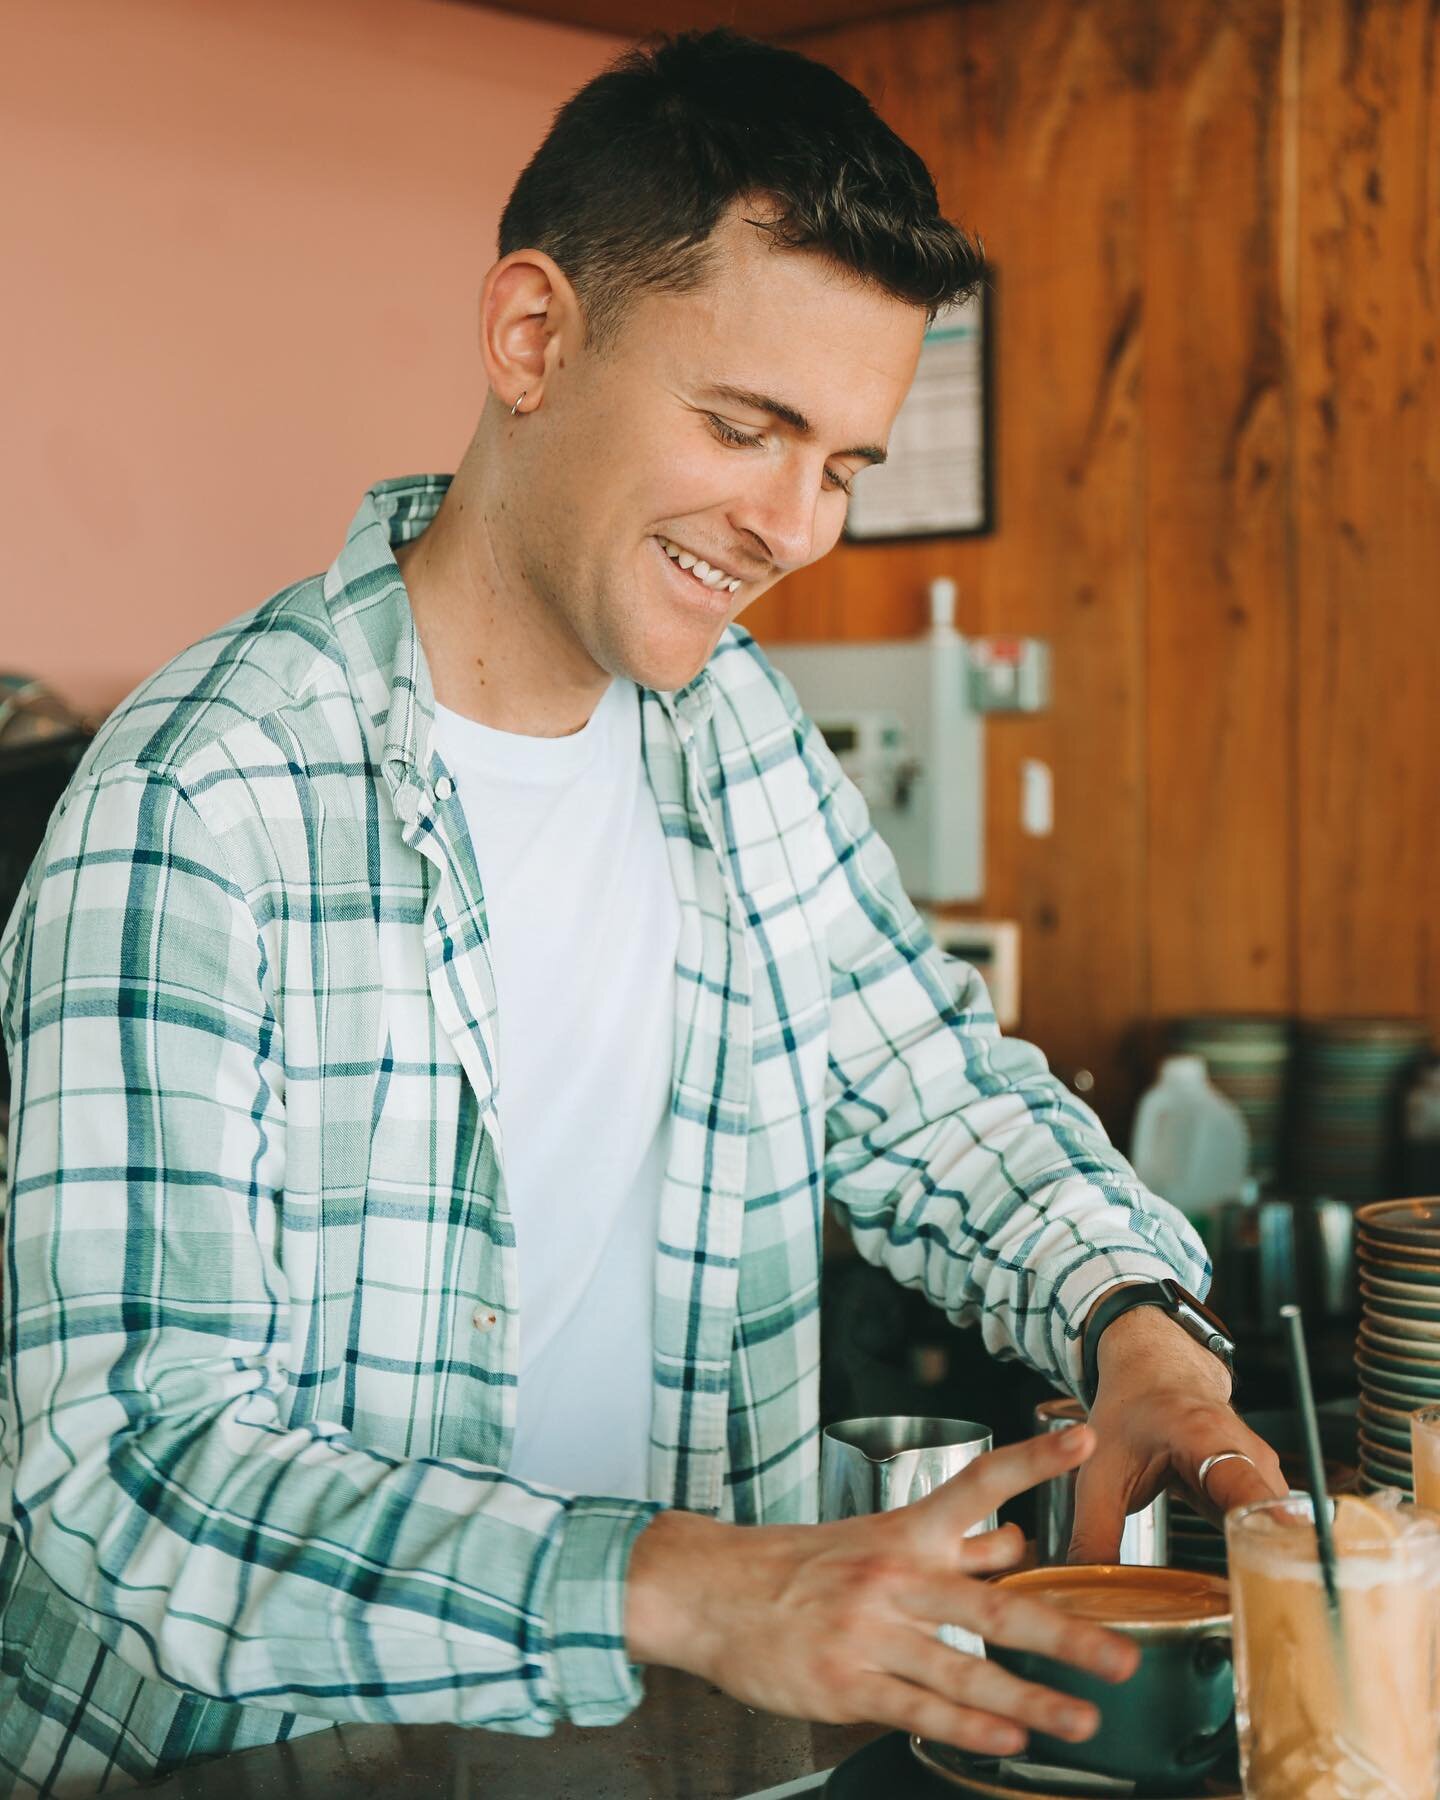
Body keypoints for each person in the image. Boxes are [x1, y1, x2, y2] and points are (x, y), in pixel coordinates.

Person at [0, 27, 1284, 1798]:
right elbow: (126, 1471)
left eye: (840, 460)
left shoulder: (731, 726)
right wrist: (680, 1585)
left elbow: (930, 1090)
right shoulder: (201, 805)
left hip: (676, 1758)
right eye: (744, 427)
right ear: (534, 338)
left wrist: (1135, 1322)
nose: (791, 526)